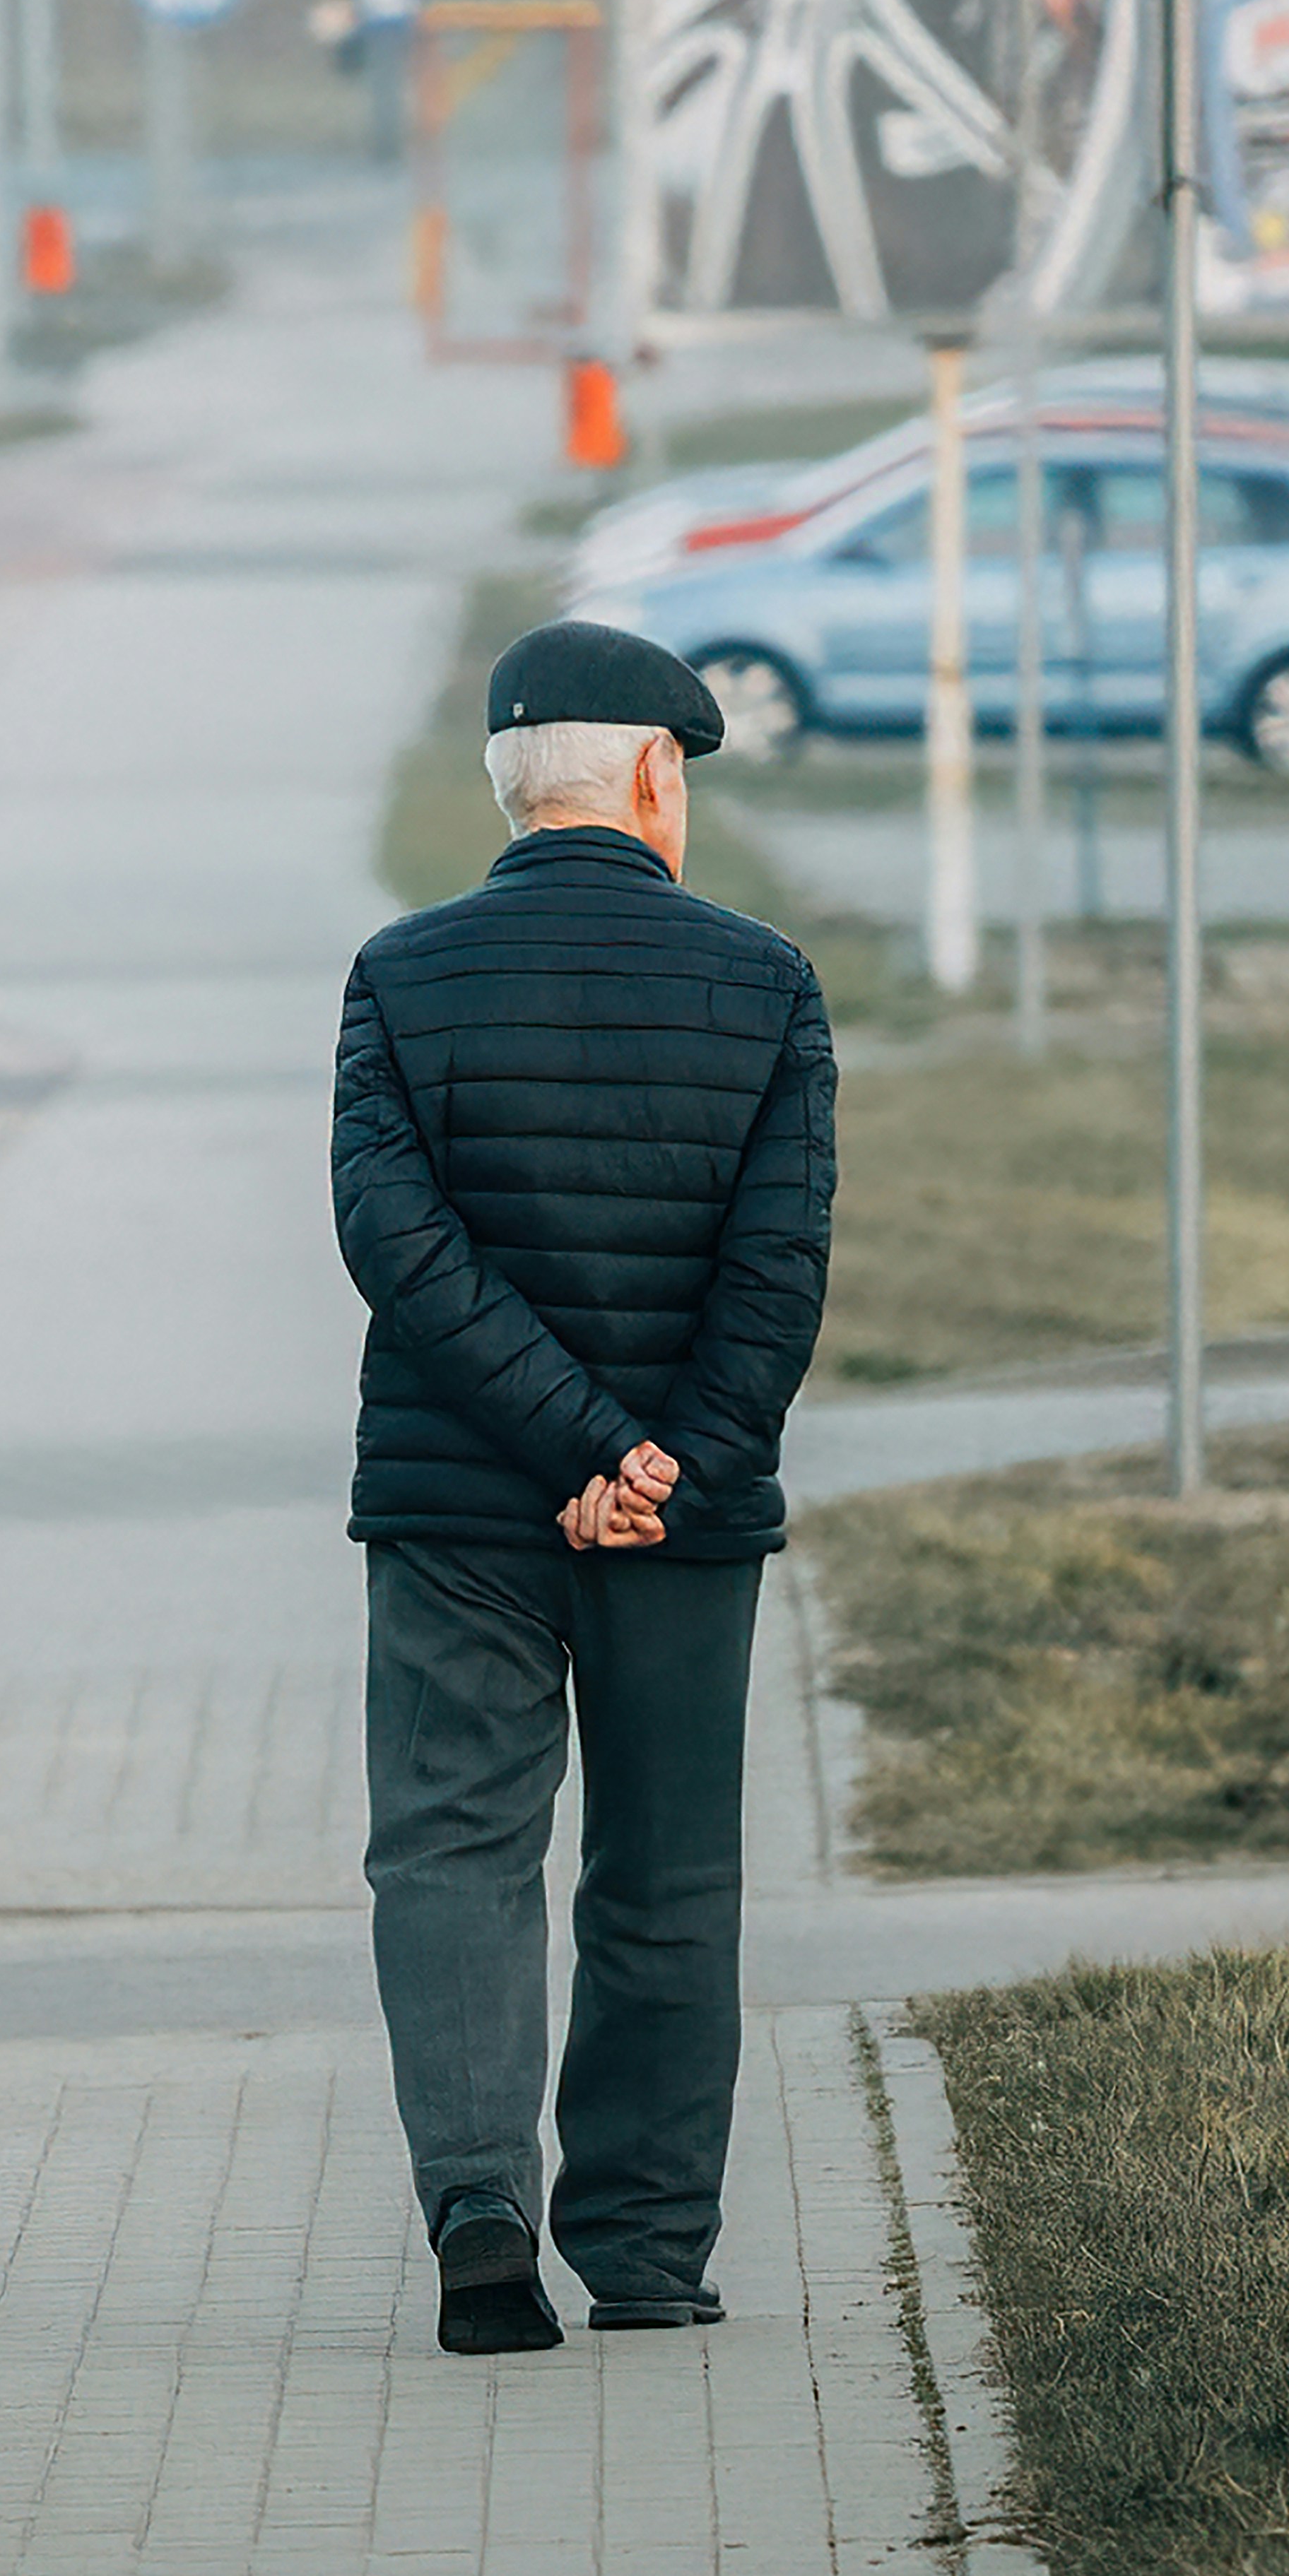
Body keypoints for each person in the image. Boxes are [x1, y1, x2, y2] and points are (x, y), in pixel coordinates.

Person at [331, 618, 838, 2357]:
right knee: (665, 1874)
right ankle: (642, 2255)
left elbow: (394, 1246)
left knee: (453, 1854)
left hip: (459, 1506)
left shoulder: (400, 976)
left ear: (506, 785)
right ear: (649, 774)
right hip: (683, 1526)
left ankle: (480, 2206)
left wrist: (564, 1444)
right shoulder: (764, 984)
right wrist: (654, 1463)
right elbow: (774, 1271)